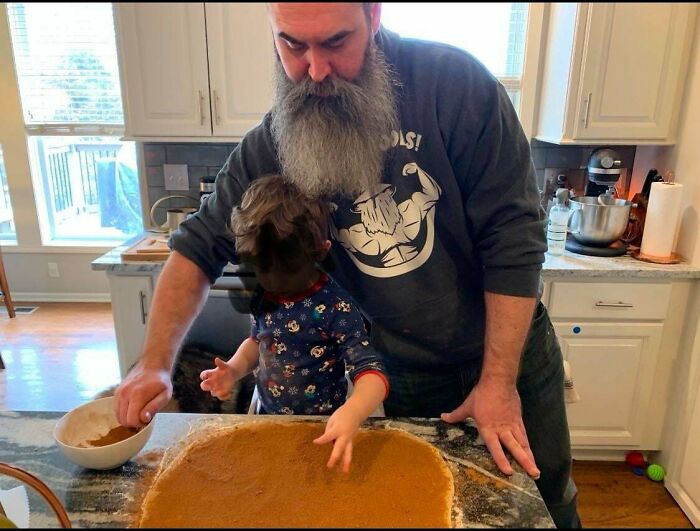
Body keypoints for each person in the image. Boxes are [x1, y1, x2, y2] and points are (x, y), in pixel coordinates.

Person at [114, 3, 580, 527]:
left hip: (506, 352)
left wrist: (497, 380)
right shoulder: (276, 138)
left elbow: (513, 239)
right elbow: (198, 246)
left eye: (336, 43)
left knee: (544, 500)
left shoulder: (456, 87)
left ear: (374, 15)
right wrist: (153, 361)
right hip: (400, 370)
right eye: (292, 45)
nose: (315, 70)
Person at [198, 174, 389, 471]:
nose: (275, 282)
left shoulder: (335, 306)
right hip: (268, 420)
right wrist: (234, 369)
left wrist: (353, 412)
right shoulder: (267, 294)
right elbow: (257, 342)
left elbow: (372, 374)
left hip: (323, 429)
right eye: (263, 269)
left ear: (321, 251)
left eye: (287, 271)